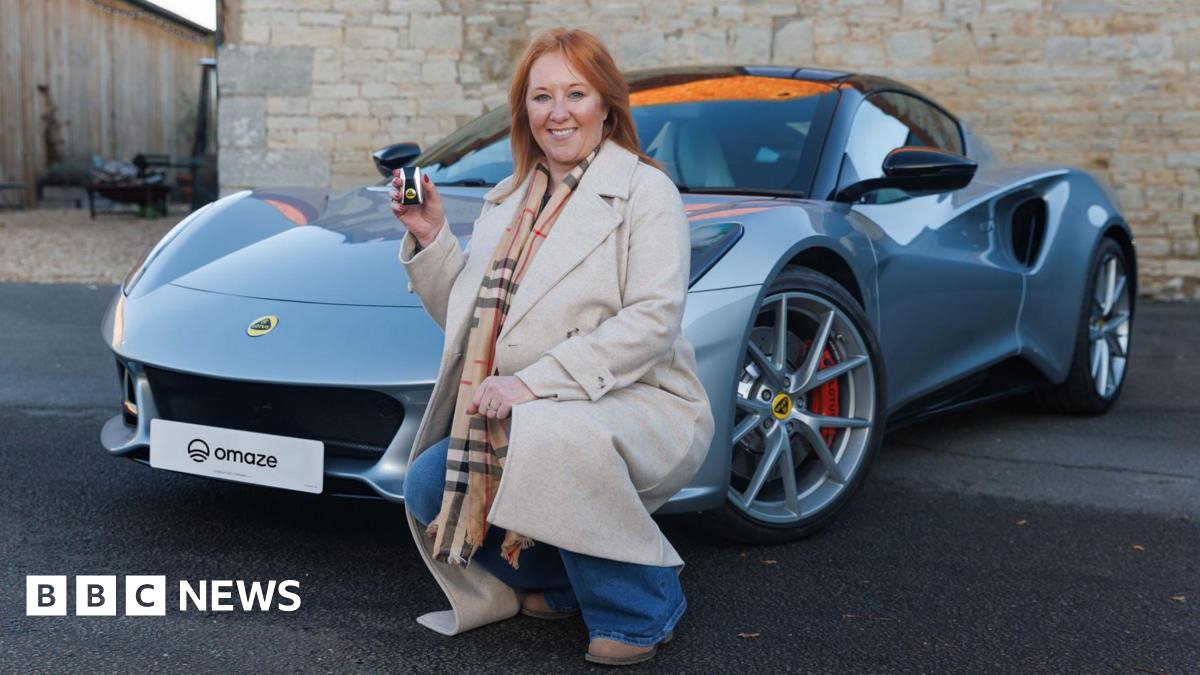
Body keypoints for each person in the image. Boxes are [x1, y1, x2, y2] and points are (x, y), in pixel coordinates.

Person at [391, 27, 714, 666]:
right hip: (526, 409)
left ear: (606, 105)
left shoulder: (646, 193)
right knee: (431, 484)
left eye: (575, 94)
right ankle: (561, 583)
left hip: (635, 396)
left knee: (555, 439)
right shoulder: (508, 201)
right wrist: (432, 238)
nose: (558, 112)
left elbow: (653, 321)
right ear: (525, 111)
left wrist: (533, 384)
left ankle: (644, 607)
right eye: (542, 97)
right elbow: (470, 323)